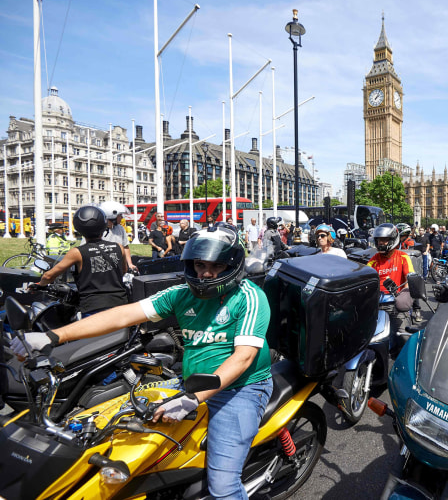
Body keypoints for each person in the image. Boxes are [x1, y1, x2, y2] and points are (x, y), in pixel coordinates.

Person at [11, 224, 272, 499]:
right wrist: (53, 336)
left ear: (232, 265)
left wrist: (192, 399)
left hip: (240, 389)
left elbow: (243, 358)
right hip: (193, 382)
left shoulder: (249, 297)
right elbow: (122, 315)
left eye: (216, 265)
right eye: (199, 264)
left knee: (224, 486)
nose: (205, 273)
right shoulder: (180, 294)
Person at [35, 206, 128, 315]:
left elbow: (49, 276)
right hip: (120, 304)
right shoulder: (119, 247)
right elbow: (123, 270)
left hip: (93, 307)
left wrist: (40, 284)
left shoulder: (76, 252)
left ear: (78, 227)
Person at [367, 224, 416, 351]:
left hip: (396, 304)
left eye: (384, 239)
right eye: (378, 240)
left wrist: (404, 295)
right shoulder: (374, 260)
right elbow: (366, 278)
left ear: (393, 239)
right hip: (377, 304)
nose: (380, 242)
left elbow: (410, 279)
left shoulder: (402, 257)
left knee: (404, 337)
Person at [99, 201, 138, 272]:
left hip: (118, 265)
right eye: (120, 215)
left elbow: (125, 247)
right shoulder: (98, 229)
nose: (122, 217)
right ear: (112, 215)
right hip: (103, 266)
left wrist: (129, 264)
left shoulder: (120, 228)